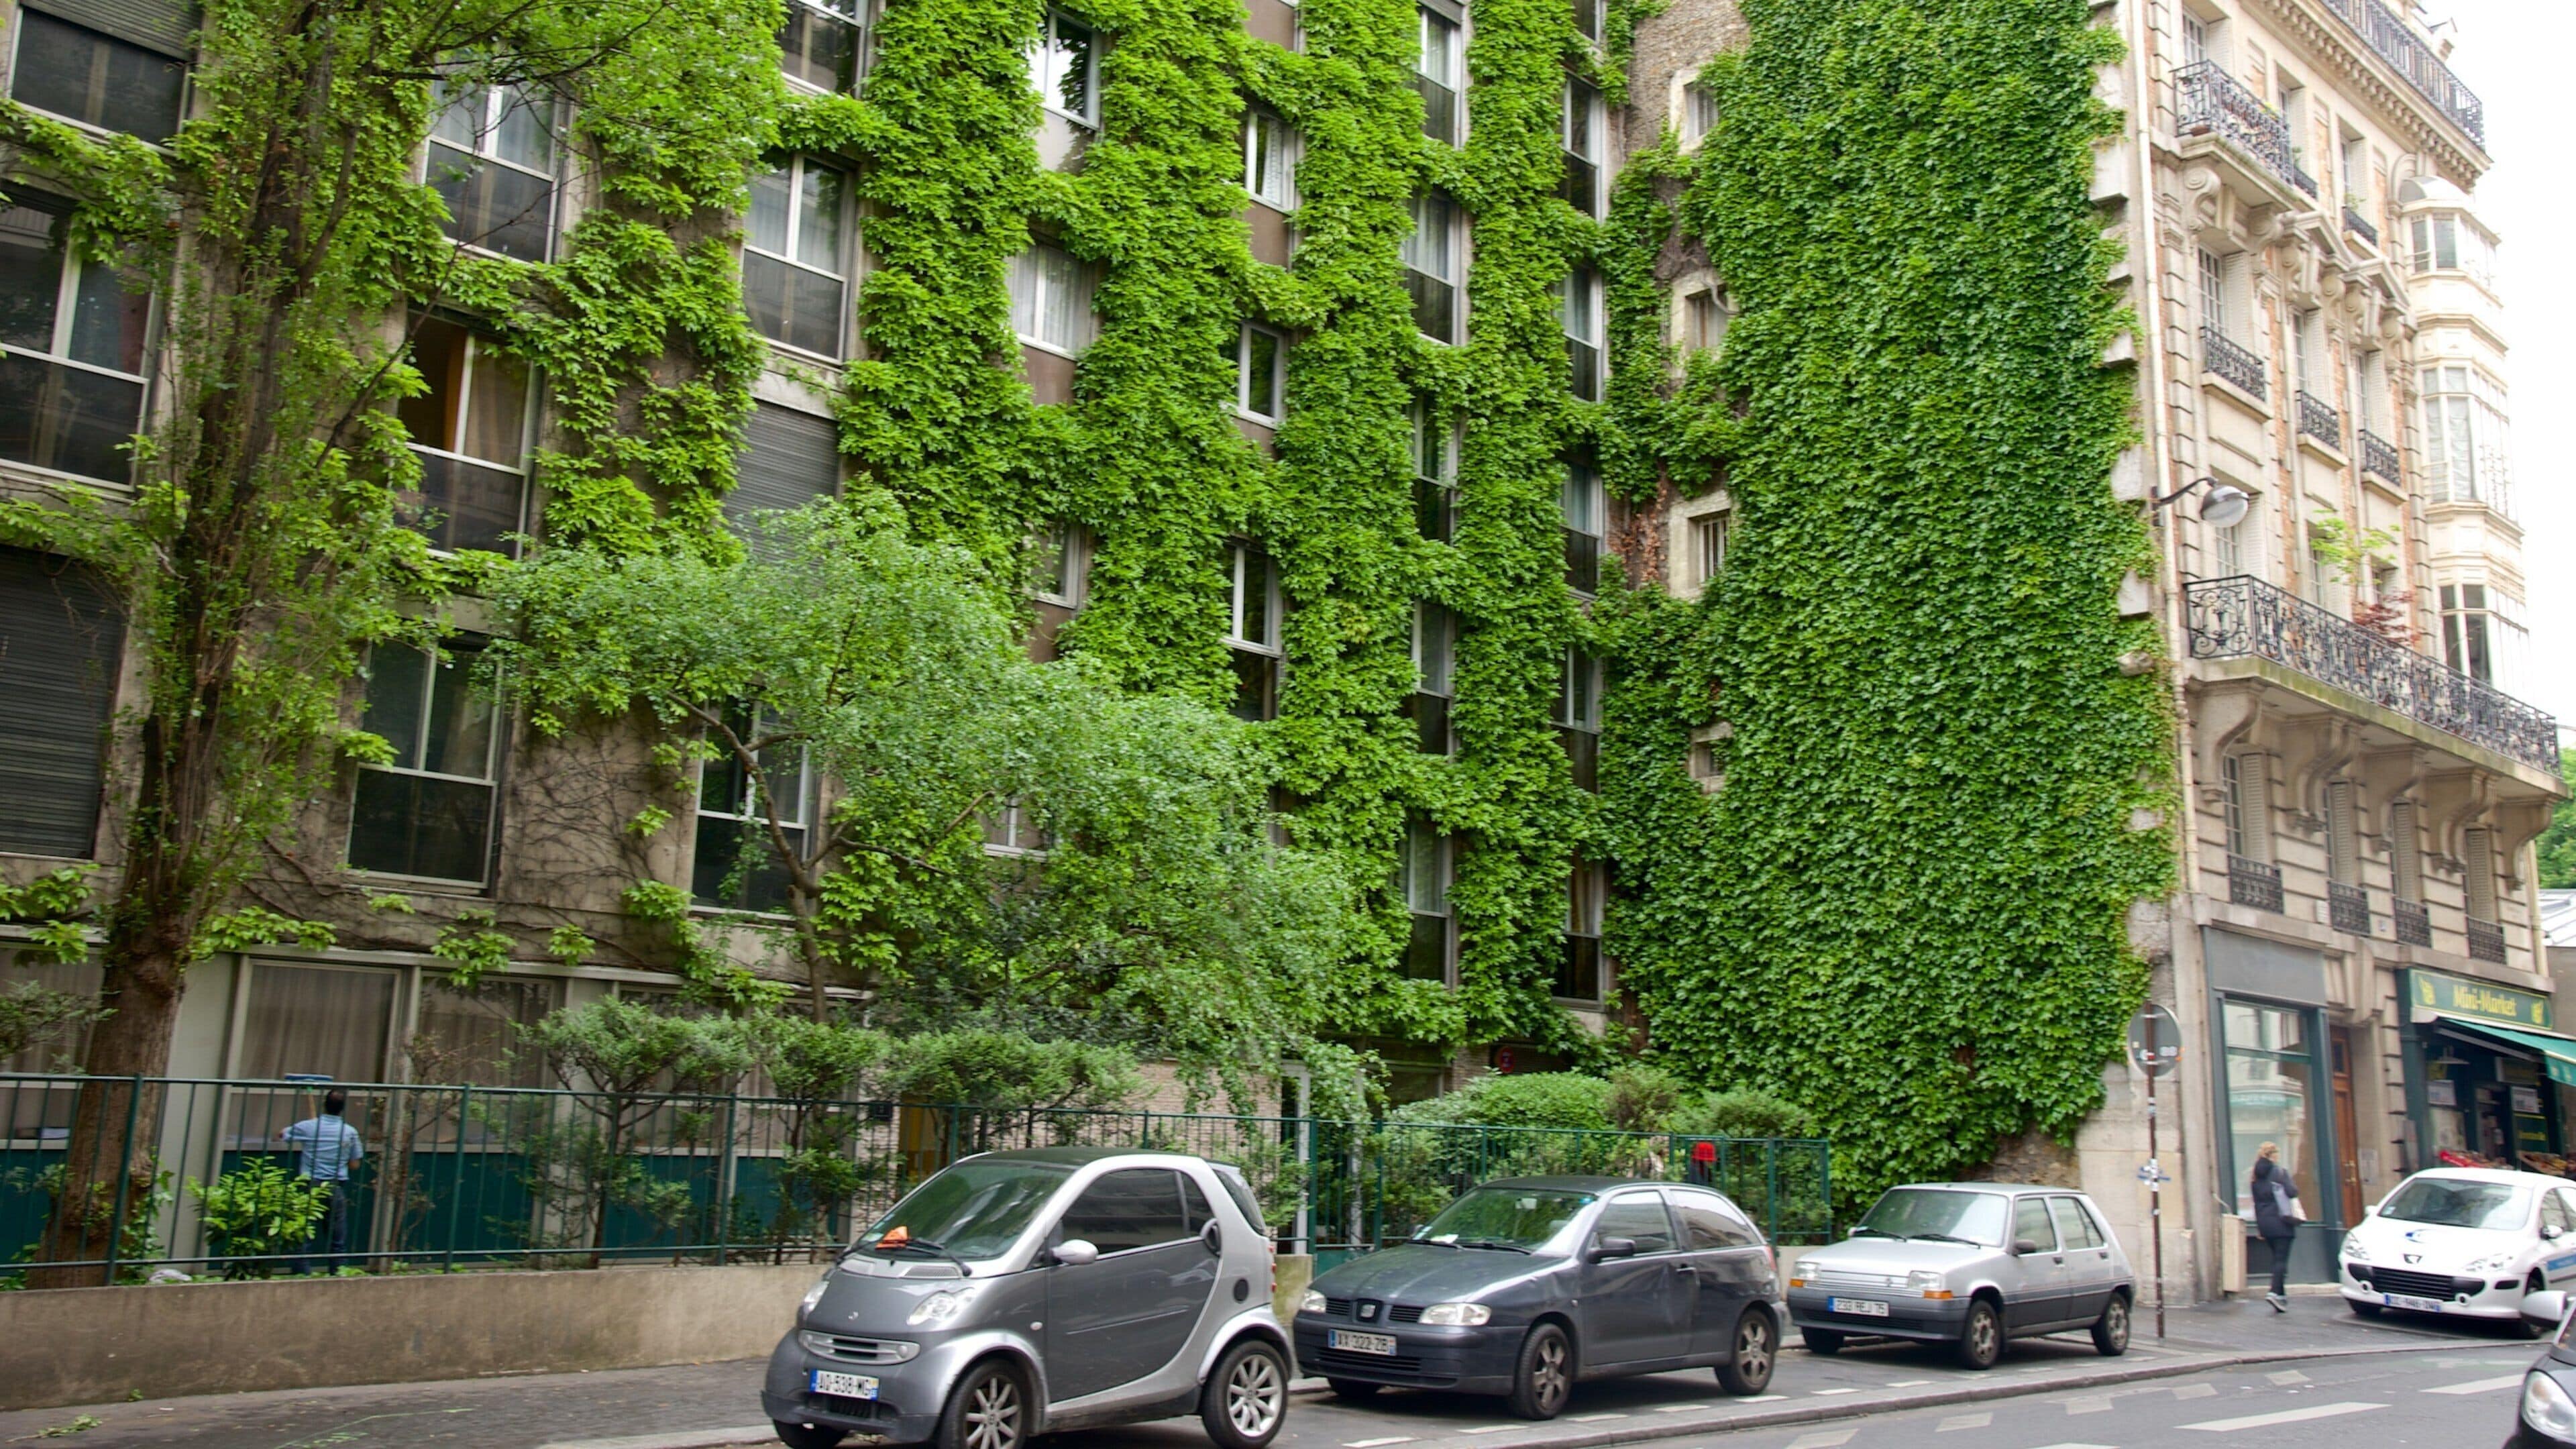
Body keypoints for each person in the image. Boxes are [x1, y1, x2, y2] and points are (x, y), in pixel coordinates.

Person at [280, 1087, 364, 1274]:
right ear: (343, 1108)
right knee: (337, 1238)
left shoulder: (309, 1127)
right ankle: (339, 1274)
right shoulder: (350, 1132)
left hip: (311, 1185)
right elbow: (355, 1164)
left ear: (325, 1105)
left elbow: (282, 1135)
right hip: (335, 1186)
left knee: (304, 1234)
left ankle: (302, 1275)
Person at [2251, 1140, 2301, 1312]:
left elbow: (2256, 1203)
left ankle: (2281, 1297)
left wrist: (2260, 1227)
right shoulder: (2279, 1172)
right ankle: (2273, 1292)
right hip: (2282, 1221)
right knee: (2281, 1260)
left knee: (2276, 1258)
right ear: (2274, 1155)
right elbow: (2293, 1192)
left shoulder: (2255, 1177)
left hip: (2265, 1223)